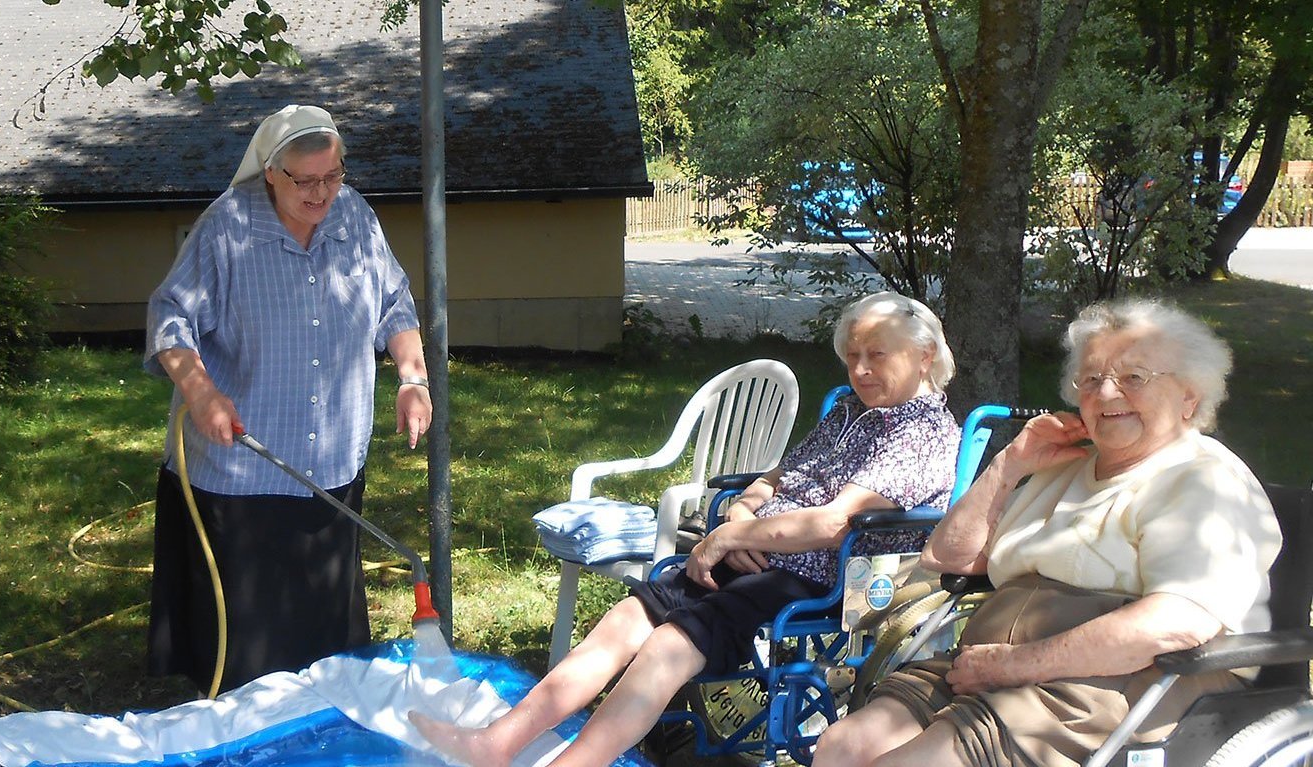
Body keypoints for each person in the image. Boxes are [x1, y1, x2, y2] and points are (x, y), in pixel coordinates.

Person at [412, 291, 961, 767]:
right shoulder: (849, 411)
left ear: (924, 356)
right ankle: (497, 743)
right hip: (760, 552)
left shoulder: (922, 435)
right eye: (853, 357)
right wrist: (740, 512)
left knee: (669, 646)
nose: (860, 369)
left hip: (823, 580)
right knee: (628, 618)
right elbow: (779, 477)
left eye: (876, 356)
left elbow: (832, 523)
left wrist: (728, 538)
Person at [816, 299, 1282, 767]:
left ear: (1190, 397)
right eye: (1092, 379)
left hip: (1113, 689)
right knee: (843, 747)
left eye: (1134, 377)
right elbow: (948, 557)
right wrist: (1008, 465)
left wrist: (1015, 665)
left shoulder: (1203, 479)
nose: (1107, 393)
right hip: (993, 672)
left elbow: (1177, 623)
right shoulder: (1065, 467)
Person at [143, 104, 431, 693]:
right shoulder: (228, 228)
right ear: (271, 172)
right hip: (243, 472)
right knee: (247, 653)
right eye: (306, 180)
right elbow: (170, 316)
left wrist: (412, 376)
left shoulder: (355, 216)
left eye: (333, 175)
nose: (322, 192)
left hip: (332, 465)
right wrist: (201, 394)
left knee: (324, 648)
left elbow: (394, 300)